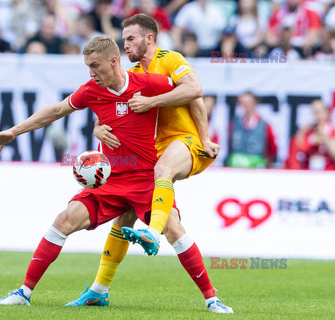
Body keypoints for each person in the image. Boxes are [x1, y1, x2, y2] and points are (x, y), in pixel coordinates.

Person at [0, 35, 179, 307]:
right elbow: (56, 110)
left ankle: (211, 299)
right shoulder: (91, 90)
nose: (91, 72)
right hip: (108, 181)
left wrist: (200, 140)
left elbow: (191, 91)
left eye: (95, 65)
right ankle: (23, 293)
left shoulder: (148, 83)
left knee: (174, 230)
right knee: (63, 220)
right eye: (88, 66)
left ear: (113, 61)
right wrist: (14, 131)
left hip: (147, 179)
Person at [67, 14, 232, 313]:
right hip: (154, 152)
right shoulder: (130, 73)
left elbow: (194, 91)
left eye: (130, 38)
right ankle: (99, 290)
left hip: (185, 141)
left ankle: (151, 235)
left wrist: (205, 139)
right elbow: (111, 108)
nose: (125, 44)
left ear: (150, 39)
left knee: (163, 173)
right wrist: (97, 127)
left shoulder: (170, 59)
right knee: (138, 217)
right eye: (124, 38)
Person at [226, 91, 277, 168]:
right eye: (243, 102)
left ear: (255, 102)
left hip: (256, 164)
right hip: (236, 164)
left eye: (249, 102)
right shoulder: (234, 124)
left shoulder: (264, 125)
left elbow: (272, 147)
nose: (246, 105)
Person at [285, 99, 335, 170]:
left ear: (326, 112)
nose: (317, 116)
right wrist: (301, 133)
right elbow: (299, 151)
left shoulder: (332, 131)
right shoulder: (308, 132)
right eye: (314, 112)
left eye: (319, 112)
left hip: (327, 172)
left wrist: (324, 137)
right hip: (309, 172)